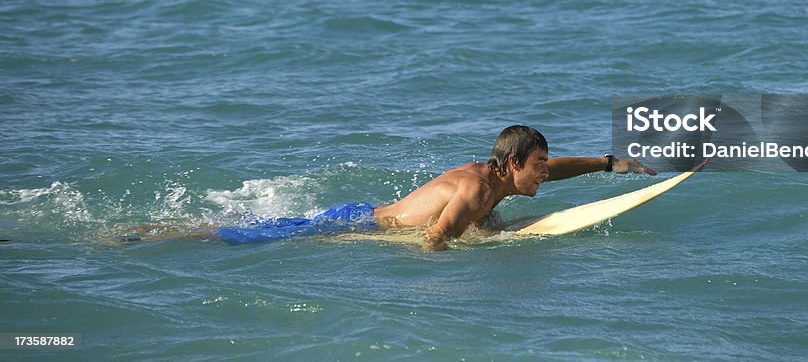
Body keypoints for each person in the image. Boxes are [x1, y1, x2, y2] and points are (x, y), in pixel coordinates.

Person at [119, 126, 655, 251]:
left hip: (369, 216)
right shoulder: (474, 192)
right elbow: (432, 244)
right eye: (536, 165)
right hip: (352, 222)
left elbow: (560, 166)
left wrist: (613, 164)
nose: (545, 172)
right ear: (512, 163)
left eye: (543, 166)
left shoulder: (501, 177)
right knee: (238, 237)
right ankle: (145, 234)